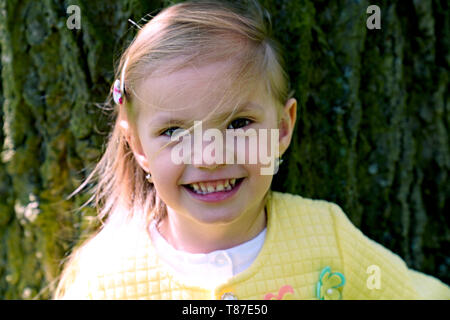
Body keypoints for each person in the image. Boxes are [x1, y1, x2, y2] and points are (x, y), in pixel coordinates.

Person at [54, 0, 450, 300]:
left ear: (282, 127)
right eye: (174, 131)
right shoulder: (103, 279)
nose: (210, 157)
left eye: (238, 124)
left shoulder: (327, 239)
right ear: (138, 146)